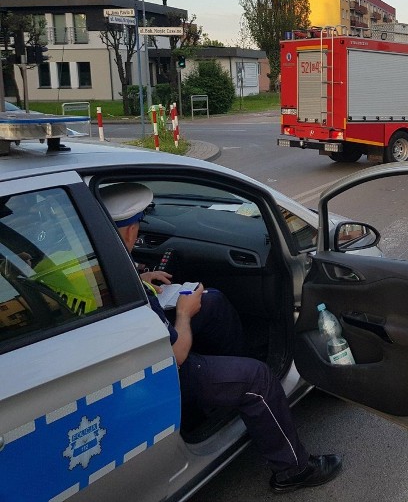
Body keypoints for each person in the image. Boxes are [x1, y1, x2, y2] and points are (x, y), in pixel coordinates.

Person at [100, 182, 342, 493]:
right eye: (137, 223)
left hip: (130, 352)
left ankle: (231, 382)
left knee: (211, 301)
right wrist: (184, 314)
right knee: (259, 377)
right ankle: (292, 470)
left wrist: (141, 277)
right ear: (130, 230)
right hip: (155, 372)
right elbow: (175, 357)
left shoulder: (94, 260)